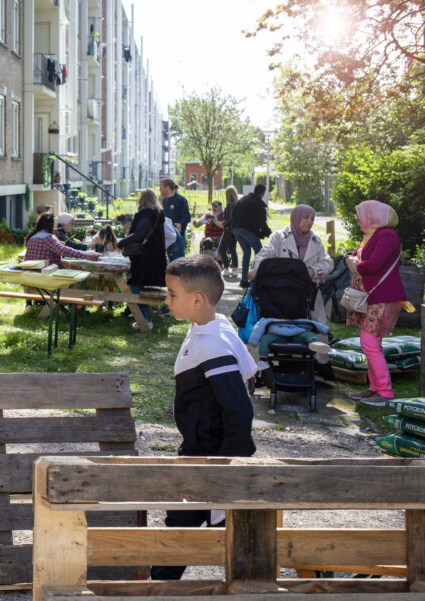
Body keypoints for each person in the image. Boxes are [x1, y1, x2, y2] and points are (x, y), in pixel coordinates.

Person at [149, 255, 256, 581]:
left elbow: (239, 410)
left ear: (197, 300)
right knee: (185, 530)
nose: (166, 300)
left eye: (171, 294)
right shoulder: (211, 325)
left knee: (189, 534)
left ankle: (162, 589)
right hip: (201, 455)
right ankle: (163, 585)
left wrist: (224, 470)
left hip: (212, 461)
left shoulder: (213, 345)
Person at [248, 205, 334, 369]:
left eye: (312, 219)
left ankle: (319, 365)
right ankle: (286, 365)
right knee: (280, 327)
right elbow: (264, 255)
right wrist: (256, 270)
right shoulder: (279, 237)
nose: (309, 222)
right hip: (280, 293)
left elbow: (328, 263)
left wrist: (312, 270)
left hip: (307, 294)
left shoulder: (315, 241)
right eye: (305, 217)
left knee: (314, 327)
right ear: (296, 217)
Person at [345, 201, 414, 406]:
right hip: (370, 297)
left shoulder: (387, 236)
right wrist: (350, 260)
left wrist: (354, 263)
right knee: (371, 344)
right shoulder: (372, 235)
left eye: (360, 215)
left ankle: (385, 392)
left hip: (381, 297)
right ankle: (374, 388)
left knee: (370, 344)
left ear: (372, 215)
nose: (358, 219)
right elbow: (352, 255)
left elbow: (373, 265)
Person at [117, 190, 167, 329]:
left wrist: (121, 243)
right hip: (155, 256)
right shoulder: (158, 214)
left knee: (136, 287)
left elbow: (139, 234)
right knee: (142, 287)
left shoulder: (147, 214)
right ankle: (145, 319)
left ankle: (145, 320)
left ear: (143, 199)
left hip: (144, 258)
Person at [232, 184, 272, 288]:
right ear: (262, 193)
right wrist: (269, 234)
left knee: (246, 252)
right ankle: (259, 278)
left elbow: (233, 214)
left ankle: (244, 279)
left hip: (236, 229)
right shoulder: (257, 204)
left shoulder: (242, 200)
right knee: (260, 252)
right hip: (247, 230)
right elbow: (261, 222)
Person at [25, 212, 89, 266]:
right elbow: (64, 250)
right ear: (51, 225)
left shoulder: (32, 237)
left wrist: (58, 244)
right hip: (47, 271)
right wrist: (86, 256)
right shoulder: (48, 238)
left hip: (32, 269)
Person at [159, 178, 190, 261]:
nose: (159, 190)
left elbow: (187, 217)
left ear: (167, 187)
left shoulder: (181, 200)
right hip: (166, 235)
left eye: (161, 187)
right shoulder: (164, 200)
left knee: (178, 261)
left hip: (177, 236)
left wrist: (180, 224)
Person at [218, 186, 240, 275]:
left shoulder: (230, 204)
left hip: (228, 229)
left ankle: (226, 267)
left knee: (222, 249)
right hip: (235, 230)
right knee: (232, 249)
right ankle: (234, 268)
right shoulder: (236, 204)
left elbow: (230, 218)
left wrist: (223, 223)